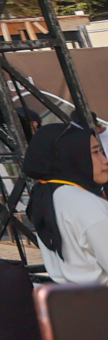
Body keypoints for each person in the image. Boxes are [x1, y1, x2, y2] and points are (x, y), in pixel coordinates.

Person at [25, 121, 108, 284]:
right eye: (95, 152)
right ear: (71, 155)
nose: (105, 160)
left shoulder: (48, 194)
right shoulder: (86, 203)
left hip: (71, 295)